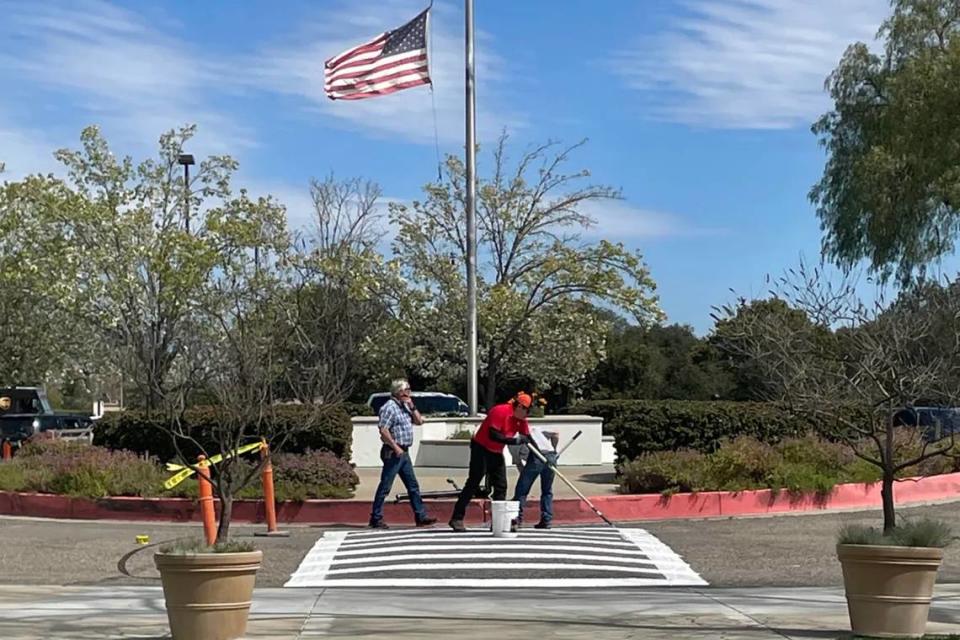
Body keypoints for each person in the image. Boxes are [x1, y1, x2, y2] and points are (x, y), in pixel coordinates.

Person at [449, 391, 532, 532]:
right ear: (519, 407)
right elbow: (493, 434)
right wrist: (513, 441)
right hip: (481, 448)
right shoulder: (500, 411)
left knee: (501, 486)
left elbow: (528, 437)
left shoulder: (521, 420)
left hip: (496, 452)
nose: (527, 415)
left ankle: (498, 521)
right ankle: (457, 518)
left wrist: (541, 452)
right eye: (527, 411)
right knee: (473, 483)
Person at [368, 379, 437, 529]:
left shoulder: (405, 406)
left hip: (404, 452)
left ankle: (420, 516)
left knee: (413, 486)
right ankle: (376, 517)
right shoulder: (389, 408)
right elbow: (383, 430)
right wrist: (395, 447)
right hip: (393, 452)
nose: (409, 393)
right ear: (399, 392)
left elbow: (419, 421)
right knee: (385, 486)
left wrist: (412, 406)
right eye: (407, 390)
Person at [511, 424, 559, 529]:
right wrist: (554, 451)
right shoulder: (536, 428)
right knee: (547, 490)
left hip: (536, 457)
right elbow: (556, 433)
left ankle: (517, 519)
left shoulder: (513, 438)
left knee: (521, 491)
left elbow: (519, 463)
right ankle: (546, 520)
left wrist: (525, 483)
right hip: (550, 456)